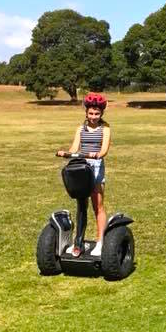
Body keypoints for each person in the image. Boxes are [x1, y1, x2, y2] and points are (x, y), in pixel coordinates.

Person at [56, 92, 111, 256]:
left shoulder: (105, 128)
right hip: (82, 166)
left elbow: (104, 149)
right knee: (81, 205)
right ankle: (78, 243)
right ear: (86, 113)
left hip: (96, 167)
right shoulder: (80, 128)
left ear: (101, 113)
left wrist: (97, 154)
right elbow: (75, 148)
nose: (93, 117)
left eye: (97, 114)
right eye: (91, 113)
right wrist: (66, 153)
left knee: (97, 206)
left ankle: (100, 241)